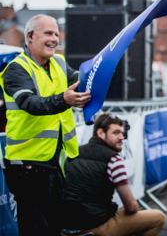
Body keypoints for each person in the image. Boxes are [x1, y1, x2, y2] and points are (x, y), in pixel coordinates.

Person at [0, 14, 91, 235]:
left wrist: (102, 69)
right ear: (30, 36)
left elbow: (82, 81)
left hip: (52, 161)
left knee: (53, 227)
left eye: (57, 35)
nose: (54, 40)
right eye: (48, 33)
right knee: (35, 229)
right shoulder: (16, 69)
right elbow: (31, 104)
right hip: (26, 164)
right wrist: (65, 100)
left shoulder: (59, 62)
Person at [63, 113, 167, 235]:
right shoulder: (113, 160)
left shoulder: (73, 153)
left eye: (122, 133)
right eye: (116, 133)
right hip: (96, 226)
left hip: (65, 226)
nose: (122, 137)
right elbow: (131, 207)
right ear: (100, 133)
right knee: (159, 218)